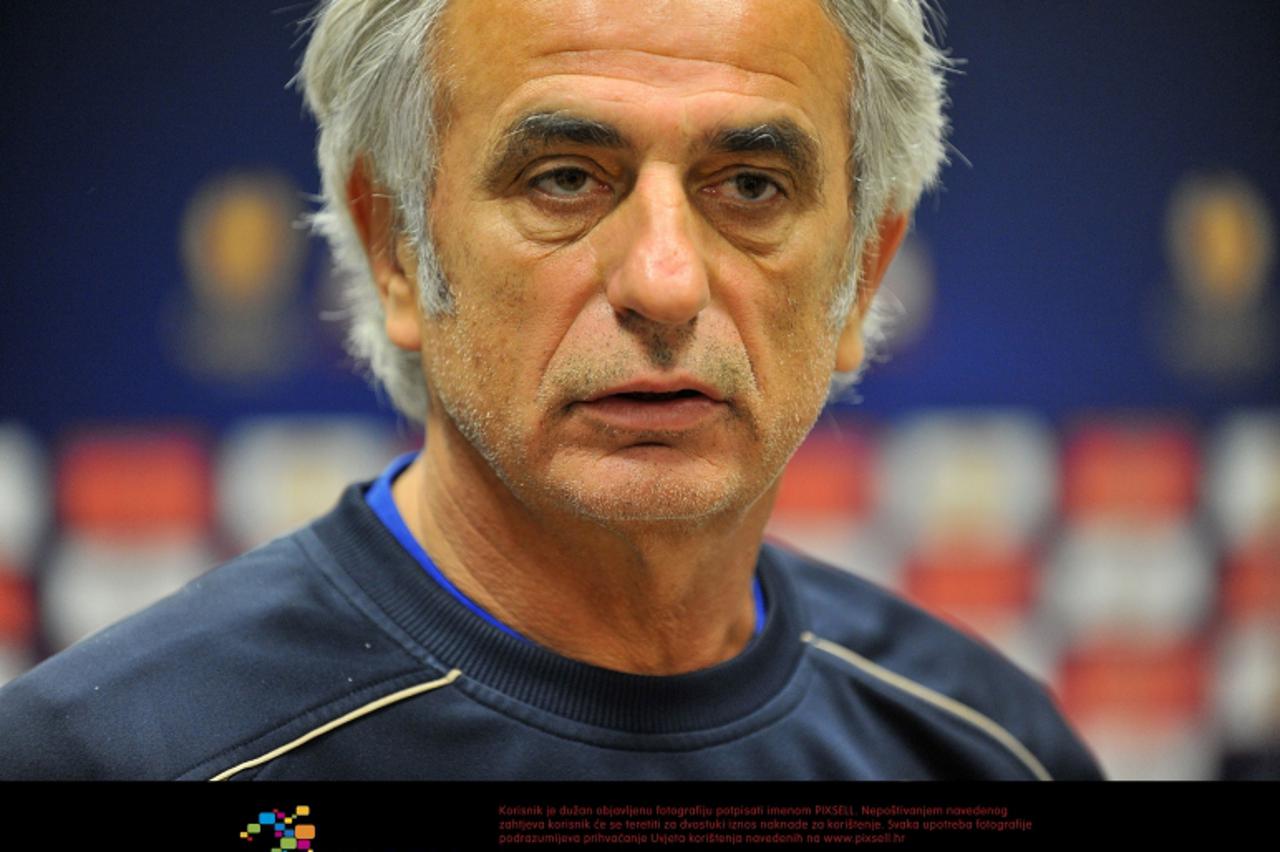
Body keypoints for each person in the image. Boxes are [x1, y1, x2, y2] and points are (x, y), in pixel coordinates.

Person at [0, 0, 1102, 780]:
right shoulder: (113, 757)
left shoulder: (985, 747)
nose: (664, 282)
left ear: (860, 276)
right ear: (394, 248)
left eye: (751, 186)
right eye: (565, 179)